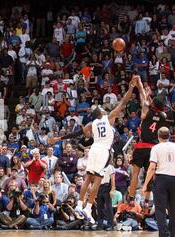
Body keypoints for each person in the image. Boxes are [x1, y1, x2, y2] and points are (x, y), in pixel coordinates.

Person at [50, 76, 138, 224]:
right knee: (97, 179)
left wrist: (59, 139)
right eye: (103, 109)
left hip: (93, 149)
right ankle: (88, 207)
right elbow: (123, 103)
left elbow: (77, 134)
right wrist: (131, 88)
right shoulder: (108, 117)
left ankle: (79, 205)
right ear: (101, 113)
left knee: (88, 178)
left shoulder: (91, 123)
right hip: (103, 150)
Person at [128, 80, 170, 202]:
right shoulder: (163, 116)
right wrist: (148, 96)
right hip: (153, 149)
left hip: (141, 146)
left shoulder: (146, 111)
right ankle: (146, 201)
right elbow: (154, 106)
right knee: (149, 175)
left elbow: (143, 99)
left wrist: (142, 88)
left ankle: (131, 198)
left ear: (153, 104)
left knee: (135, 173)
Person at [142, 127, 175, 237]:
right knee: (173, 210)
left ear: (158, 136)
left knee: (160, 210)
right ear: (169, 135)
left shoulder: (156, 148)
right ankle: (172, 236)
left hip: (161, 179)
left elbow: (151, 168)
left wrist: (145, 184)